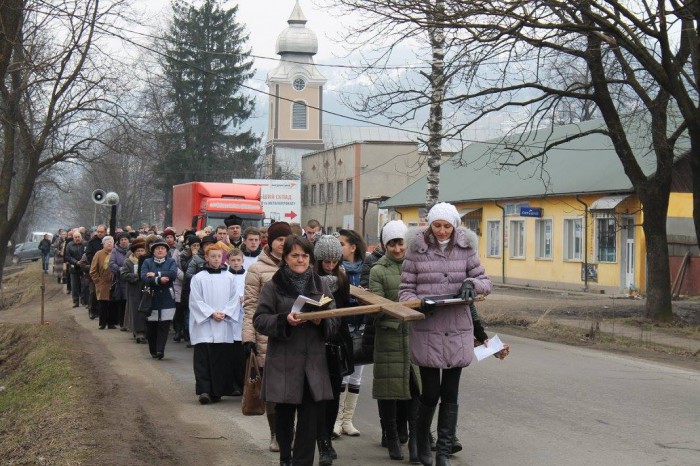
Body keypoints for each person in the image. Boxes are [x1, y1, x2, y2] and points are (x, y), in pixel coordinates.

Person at [399, 202, 493, 466]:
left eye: (447, 226)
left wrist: (470, 284)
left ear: (455, 227)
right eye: (437, 225)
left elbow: (486, 282)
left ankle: (443, 452)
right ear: (430, 225)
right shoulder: (416, 251)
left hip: (457, 328)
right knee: (430, 393)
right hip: (428, 328)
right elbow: (405, 290)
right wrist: (418, 302)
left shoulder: (466, 249)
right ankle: (421, 444)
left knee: (450, 393)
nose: (442, 231)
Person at [253, 235, 339, 466]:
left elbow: (334, 320)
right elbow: (260, 320)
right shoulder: (274, 285)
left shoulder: (320, 284)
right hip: (283, 361)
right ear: (286, 257)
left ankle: (302, 462)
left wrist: (322, 322)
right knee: (284, 416)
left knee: (309, 420)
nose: (300, 260)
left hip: (312, 364)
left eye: (304, 255)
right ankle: (285, 459)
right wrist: (284, 320)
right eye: (295, 255)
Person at [369, 220, 421, 462]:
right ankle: (391, 437)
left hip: (415, 337)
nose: (397, 248)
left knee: (415, 389)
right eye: (392, 244)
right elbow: (377, 307)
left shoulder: (418, 266)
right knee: (388, 392)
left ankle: (415, 439)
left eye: (400, 242)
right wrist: (402, 312)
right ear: (385, 245)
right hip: (389, 337)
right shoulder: (377, 270)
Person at [242, 220, 292, 453]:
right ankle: (276, 434)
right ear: (270, 241)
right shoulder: (257, 269)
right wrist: (248, 338)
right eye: (279, 239)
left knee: (293, 387)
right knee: (272, 389)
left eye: (286, 239)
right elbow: (251, 306)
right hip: (267, 335)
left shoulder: (298, 264)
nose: (283, 244)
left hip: (294, 334)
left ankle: (290, 431)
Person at [313, 235, 354, 465]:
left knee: (334, 393)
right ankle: (321, 442)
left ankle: (327, 438)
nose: (330, 266)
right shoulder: (310, 279)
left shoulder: (342, 278)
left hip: (337, 343)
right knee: (319, 395)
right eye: (325, 262)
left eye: (333, 262)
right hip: (317, 343)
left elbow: (345, 310)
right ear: (318, 261)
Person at [189, 243, 242, 404]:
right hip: (204, 324)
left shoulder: (230, 277)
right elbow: (195, 300)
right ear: (206, 258)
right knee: (203, 359)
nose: (216, 259)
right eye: (213, 256)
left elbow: (235, 299)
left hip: (223, 322)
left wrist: (225, 312)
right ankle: (204, 391)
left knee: (221, 359)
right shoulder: (198, 278)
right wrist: (211, 313)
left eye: (219, 256)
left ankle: (217, 390)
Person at [333, 228, 367, 438]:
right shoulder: (336, 269)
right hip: (342, 329)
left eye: (341, 244)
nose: (339, 248)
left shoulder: (366, 269)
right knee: (342, 375)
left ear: (352, 247)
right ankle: (336, 421)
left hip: (361, 328)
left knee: (356, 377)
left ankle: (348, 421)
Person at [140, 239, 178, 360]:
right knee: (152, 327)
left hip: (167, 298)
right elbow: (144, 277)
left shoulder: (171, 261)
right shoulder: (147, 262)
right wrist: (158, 280)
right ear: (153, 251)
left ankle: (160, 350)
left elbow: (172, 274)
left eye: (163, 248)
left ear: (167, 251)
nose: (160, 250)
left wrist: (157, 274)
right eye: (157, 249)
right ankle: (153, 350)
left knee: (164, 325)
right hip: (151, 298)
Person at [121, 237, 148, 343]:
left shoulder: (147, 261)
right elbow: (123, 274)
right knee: (136, 311)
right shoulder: (129, 261)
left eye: (142, 250)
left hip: (146, 289)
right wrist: (136, 276)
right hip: (134, 290)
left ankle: (145, 331)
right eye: (138, 251)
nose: (140, 253)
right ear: (134, 252)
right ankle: (138, 332)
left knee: (145, 310)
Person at [90, 235, 115, 330]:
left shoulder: (115, 253)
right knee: (103, 304)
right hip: (102, 283)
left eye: (111, 242)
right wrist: (98, 281)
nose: (110, 244)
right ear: (103, 244)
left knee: (112, 304)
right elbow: (93, 270)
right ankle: (102, 323)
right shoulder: (98, 254)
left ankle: (111, 323)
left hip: (113, 283)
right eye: (107, 242)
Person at [109, 232, 130, 331]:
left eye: (125, 239)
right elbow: (112, 263)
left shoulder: (131, 250)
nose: (124, 241)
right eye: (122, 240)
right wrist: (121, 270)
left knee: (128, 302)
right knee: (121, 301)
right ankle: (122, 323)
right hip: (119, 280)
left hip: (130, 280)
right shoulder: (115, 251)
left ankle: (129, 323)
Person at [66, 231, 86, 308]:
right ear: (73, 238)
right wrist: (76, 262)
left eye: (78, 237)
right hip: (73, 267)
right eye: (75, 237)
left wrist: (82, 261)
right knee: (74, 285)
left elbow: (87, 253)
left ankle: (84, 300)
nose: (77, 238)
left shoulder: (85, 244)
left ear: (81, 237)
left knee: (84, 285)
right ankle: (75, 301)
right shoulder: (69, 245)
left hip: (83, 266)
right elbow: (68, 256)